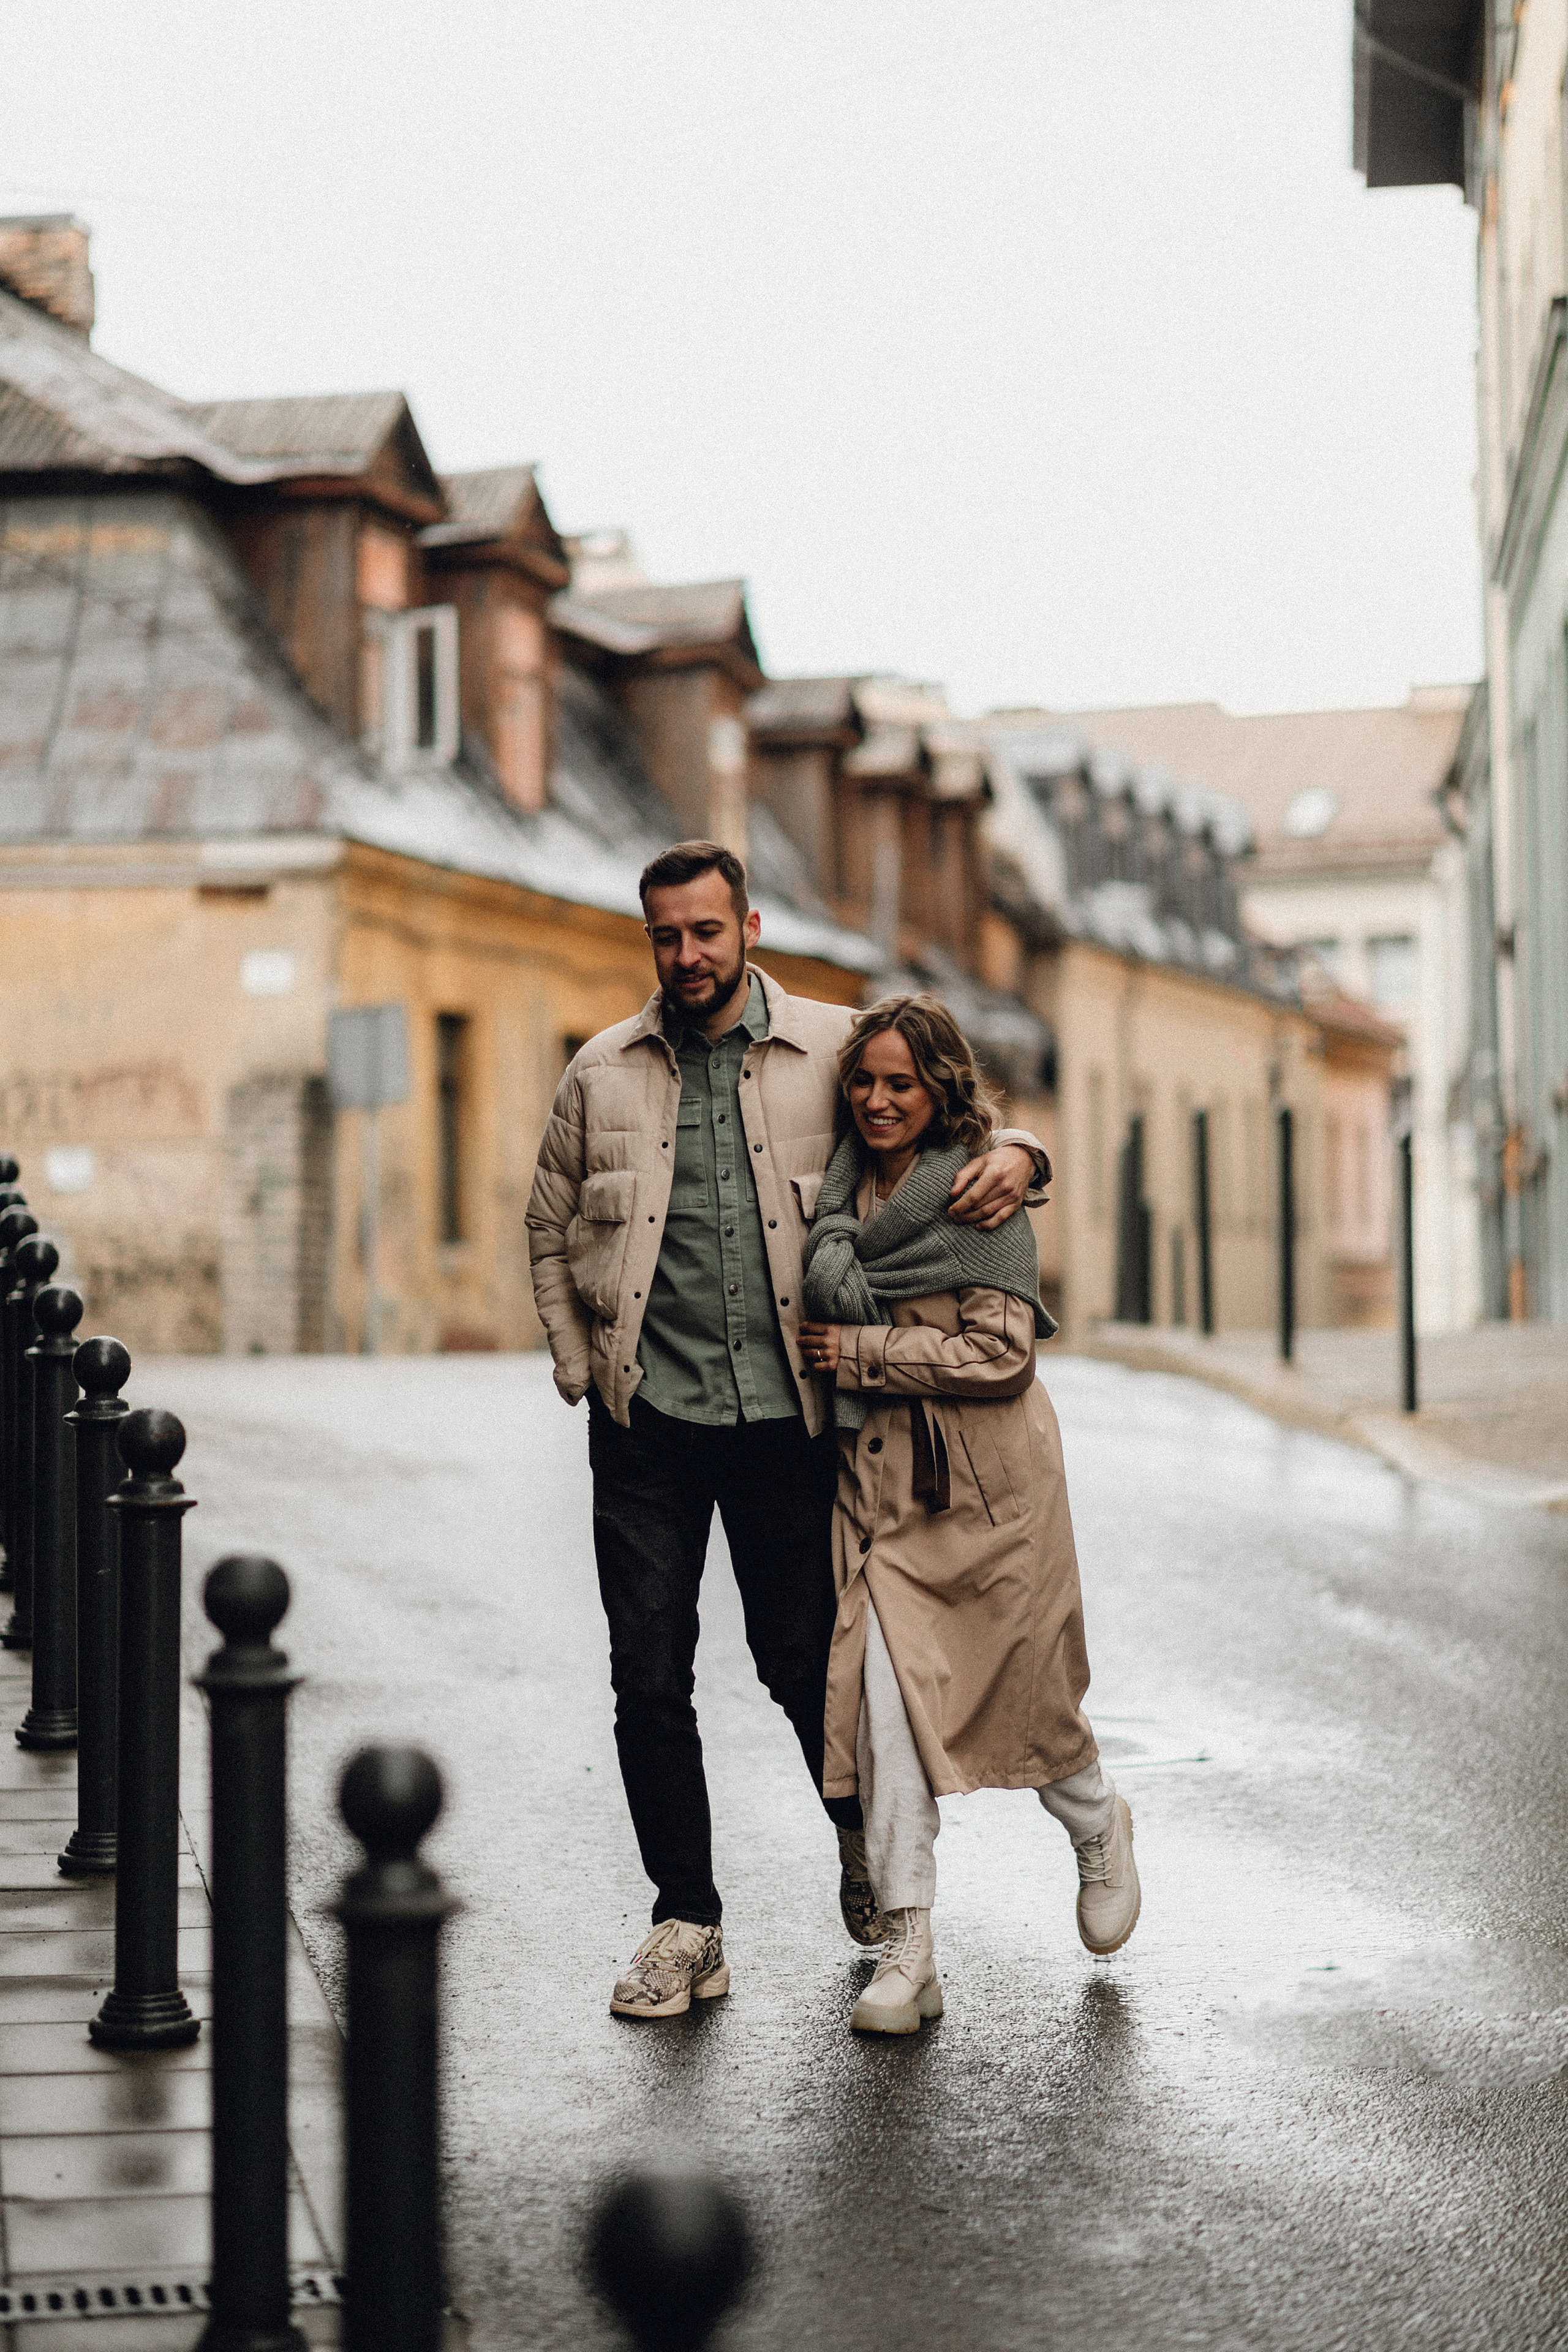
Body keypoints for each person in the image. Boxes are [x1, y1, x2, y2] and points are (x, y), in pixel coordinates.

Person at [526, 842, 1051, 2019]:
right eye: (665, 935)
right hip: (649, 1423)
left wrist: (1023, 1154)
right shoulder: (601, 1073)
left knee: (807, 1661)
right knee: (647, 1672)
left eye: (707, 932)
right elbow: (550, 1222)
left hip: (793, 1422)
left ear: (749, 927)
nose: (687, 955)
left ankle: (864, 1855)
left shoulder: (831, 1049)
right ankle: (686, 1920)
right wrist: (579, 1365)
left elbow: (957, 1112)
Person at [797, 993, 1140, 2037]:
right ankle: (910, 1951)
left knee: (1031, 1708)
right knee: (886, 1709)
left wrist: (861, 1353)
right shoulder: (839, 1199)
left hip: (992, 1493)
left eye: (901, 1083)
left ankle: (1098, 1828)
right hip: (884, 1497)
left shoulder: (982, 1198)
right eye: (863, 1080)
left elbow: (1001, 1358)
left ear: (940, 1089)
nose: (876, 1100)